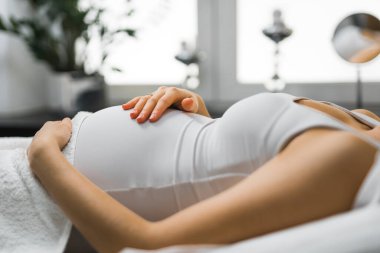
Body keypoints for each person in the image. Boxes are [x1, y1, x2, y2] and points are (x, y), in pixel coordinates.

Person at [27, 86, 380, 253]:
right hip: (65, 142)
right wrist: (197, 115)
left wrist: (44, 157)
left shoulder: (348, 159)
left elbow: (145, 244)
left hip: (51, 187)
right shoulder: (367, 121)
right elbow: (228, 172)